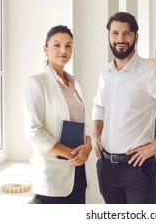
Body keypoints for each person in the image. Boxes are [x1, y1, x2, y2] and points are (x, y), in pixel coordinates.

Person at [92, 12, 156, 204]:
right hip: (106, 167)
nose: (120, 39)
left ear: (136, 37)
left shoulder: (151, 73)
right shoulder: (105, 73)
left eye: (126, 34)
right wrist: (96, 134)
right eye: (115, 34)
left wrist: (155, 145)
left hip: (136, 168)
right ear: (108, 37)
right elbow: (99, 105)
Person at [23, 25, 92, 204]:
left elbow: (83, 124)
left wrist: (88, 146)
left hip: (79, 173)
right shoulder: (36, 83)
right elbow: (34, 132)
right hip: (53, 177)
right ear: (45, 49)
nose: (63, 50)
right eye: (57, 45)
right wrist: (70, 154)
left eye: (68, 45)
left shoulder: (74, 84)